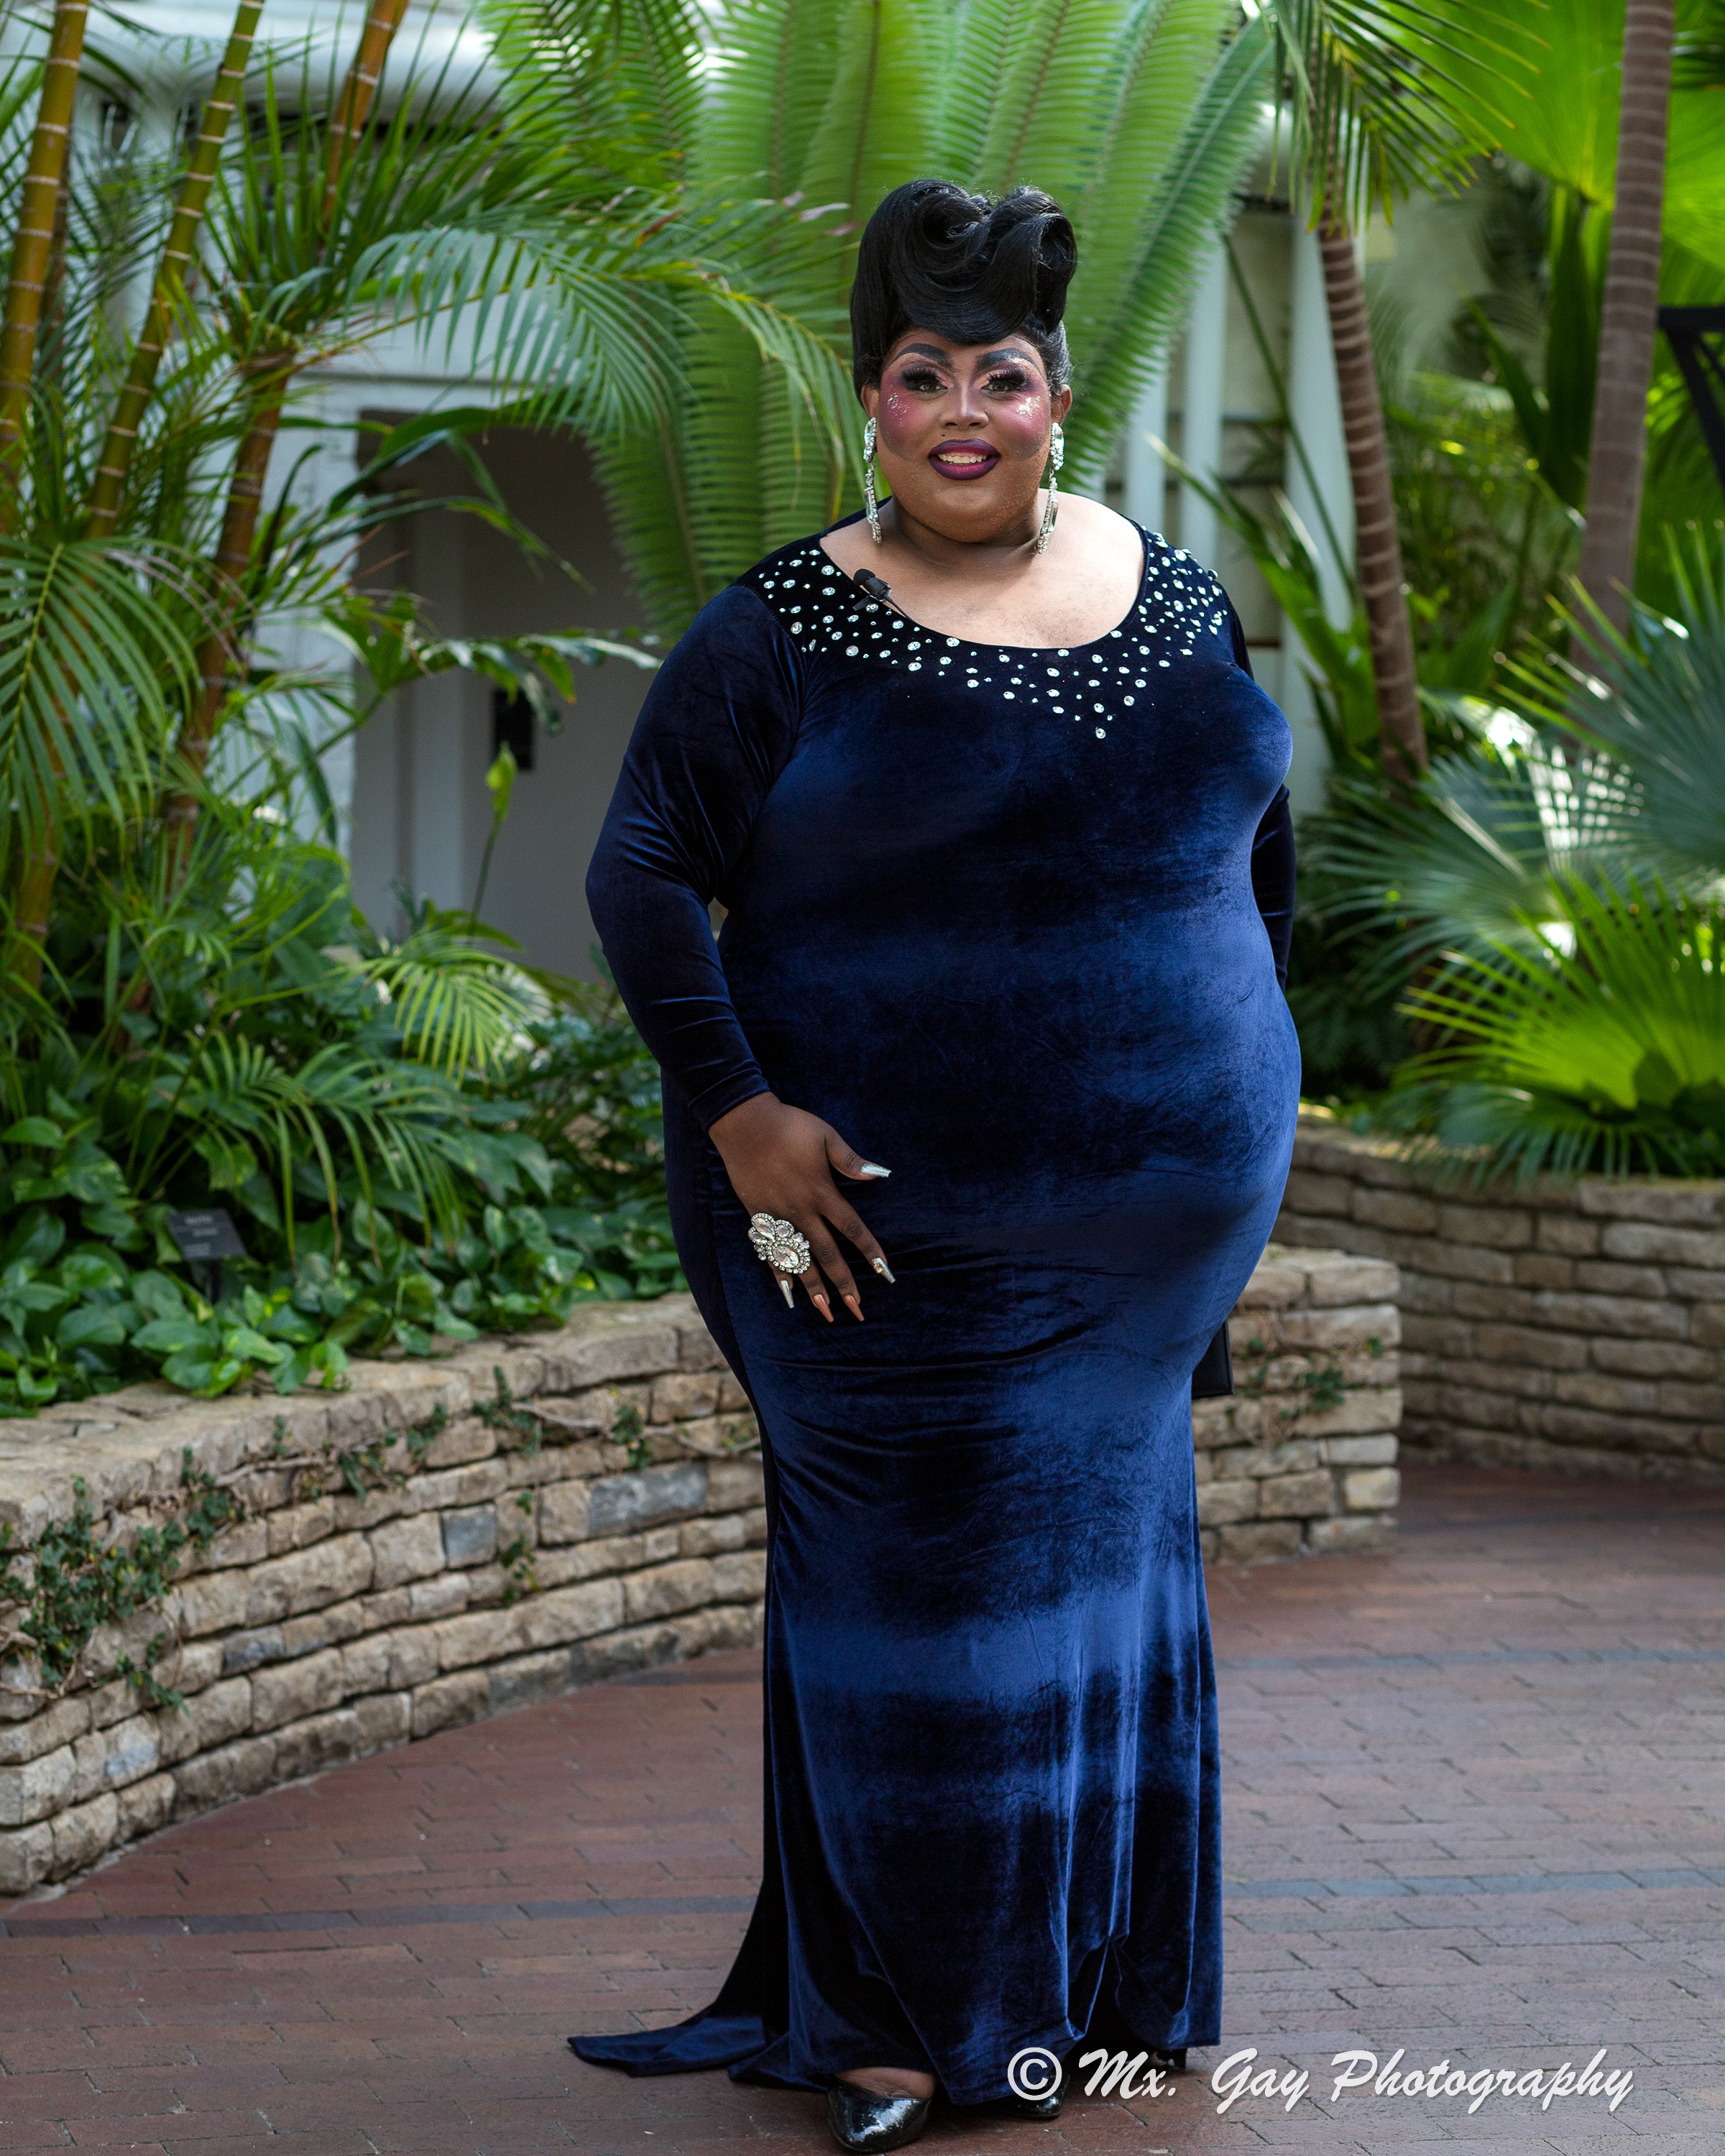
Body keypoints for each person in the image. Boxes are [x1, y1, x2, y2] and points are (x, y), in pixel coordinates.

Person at [569, 177, 1300, 2153]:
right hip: (867, 1238)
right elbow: (637, 877)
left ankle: (1108, 1992)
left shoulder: (1170, 588)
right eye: (923, 376)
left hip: (1143, 1265)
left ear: (1060, 396)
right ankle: (901, 2030)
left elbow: (1251, 864)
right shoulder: (782, 628)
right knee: (915, 1611)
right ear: (868, 401)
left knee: (1110, 1597)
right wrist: (737, 1116)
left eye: (1004, 376)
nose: (963, 410)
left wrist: (1239, 1129)